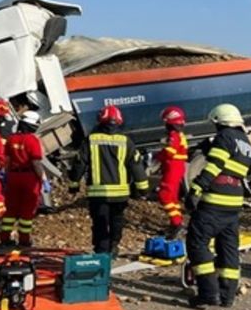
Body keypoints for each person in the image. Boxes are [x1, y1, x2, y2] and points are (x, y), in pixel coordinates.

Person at [183, 103, 251, 309]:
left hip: (215, 199)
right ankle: (227, 295)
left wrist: (196, 188)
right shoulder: (246, 142)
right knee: (228, 248)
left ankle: (208, 293)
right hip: (234, 202)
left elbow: (215, 166)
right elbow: (235, 166)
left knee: (197, 243)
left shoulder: (225, 137)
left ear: (220, 122)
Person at [68, 105, 149, 256]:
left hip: (98, 193)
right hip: (120, 194)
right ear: (119, 121)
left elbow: (79, 163)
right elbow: (136, 166)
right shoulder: (126, 142)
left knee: (100, 222)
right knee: (117, 220)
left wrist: (74, 184)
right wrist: (143, 188)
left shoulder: (91, 140)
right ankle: (114, 245)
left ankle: (101, 249)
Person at [0, 111, 46, 248]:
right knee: (27, 210)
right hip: (29, 178)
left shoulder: (11, 139)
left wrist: (6, 175)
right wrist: (43, 179)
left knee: (10, 209)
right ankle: (24, 240)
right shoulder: (32, 140)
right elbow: (36, 163)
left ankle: (5, 238)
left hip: (13, 177)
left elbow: (7, 160)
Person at [156, 106, 189, 240]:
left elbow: (170, 152)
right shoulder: (180, 135)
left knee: (165, 195)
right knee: (173, 197)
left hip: (173, 168)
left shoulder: (174, 136)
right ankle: (177, 223)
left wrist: (157, 156)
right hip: (177, 167)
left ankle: (177, 223)